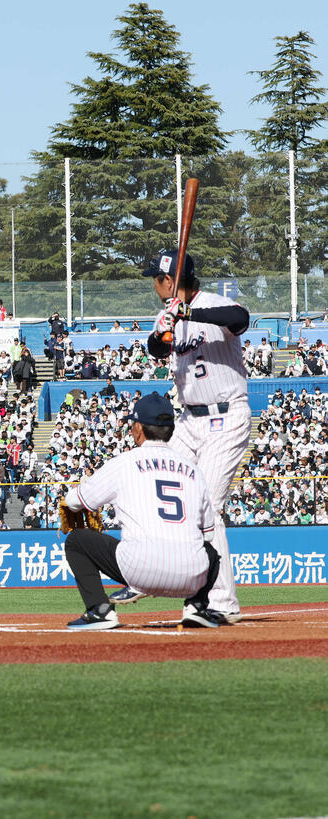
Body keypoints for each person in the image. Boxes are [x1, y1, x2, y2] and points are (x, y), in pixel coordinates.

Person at [110, 252, 250, 624]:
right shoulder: (170, 311)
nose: (152, 284)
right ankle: (141, 574)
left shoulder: (211, 304)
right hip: (189, 421)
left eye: (156, 278)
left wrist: (188, 314)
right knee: (148, 477)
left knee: (208, 507)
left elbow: (241, 319)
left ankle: (220, 601)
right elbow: (155, 349)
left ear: (170, 280)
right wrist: (165, 327)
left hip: (226, 415)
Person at [61, 394, 223, 630]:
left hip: (138, 570)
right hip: (191, 576)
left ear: (138, 428)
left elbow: (77, 501)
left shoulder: (125, 462)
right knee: (211, 552)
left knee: (76, 541)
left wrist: (67, 501)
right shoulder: (193, 469)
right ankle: (197, 606)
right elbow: (208, 534)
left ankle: (100, 610)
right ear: (171, 430)